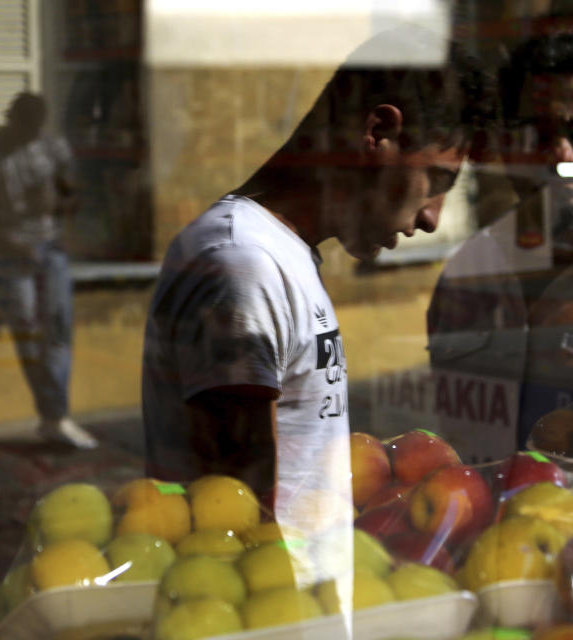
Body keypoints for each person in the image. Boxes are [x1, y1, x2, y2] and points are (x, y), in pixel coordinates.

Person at [141, 26, 490, 516]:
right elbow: (240, 511)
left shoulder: (277, 256)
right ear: (378, 134)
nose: (432, 217)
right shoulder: (245, 264)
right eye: (437, 179)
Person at [428, 32, 573, 461]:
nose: (562, 151)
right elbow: (463, 445)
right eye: (537, 132)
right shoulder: (469, 276)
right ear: (505, 144)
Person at [0, 92, 98, 449]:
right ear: (11, 119)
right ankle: (52, 414)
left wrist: (56, 201)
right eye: (25, 128)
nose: (31, 136)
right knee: (27, 330)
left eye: (37, 129)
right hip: (5, 254)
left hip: (50, 249)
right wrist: (8, 241)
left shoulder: (52, 149)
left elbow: (76, 198)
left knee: (55, 331)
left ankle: (55, 417)